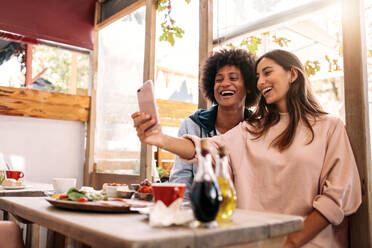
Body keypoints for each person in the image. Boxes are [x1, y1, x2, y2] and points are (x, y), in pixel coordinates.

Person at [132, 49, 361, 247]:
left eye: (267, 72)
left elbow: (337, 196)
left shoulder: (330, 126)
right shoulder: (252, 129)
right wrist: (160, 139)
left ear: (293, 74)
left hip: (310, 243)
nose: (260, 82)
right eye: (258, 76)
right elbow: (207, 148)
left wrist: (291, 242)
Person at [169, 48, 258, 201]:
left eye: (233, 78)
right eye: (218, 79)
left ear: (249, 86)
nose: (224, 84)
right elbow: (181, 178)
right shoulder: (191, 126)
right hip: (200, 213)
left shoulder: (259, 129)